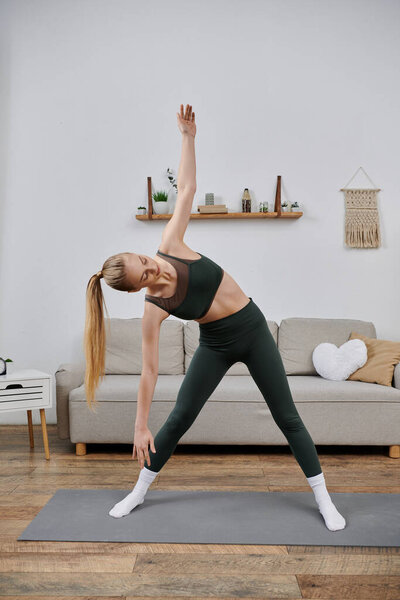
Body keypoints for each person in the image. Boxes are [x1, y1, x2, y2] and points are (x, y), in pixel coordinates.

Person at [84, 104, 346, 531]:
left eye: (144, 260)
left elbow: (185, 189)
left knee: (287, 417)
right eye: (144, 276)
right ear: (136, 289)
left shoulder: (171, 242)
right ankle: (138, 492)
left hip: (253, 329)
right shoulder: (154, 309)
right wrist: (138, 426)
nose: (154, 269)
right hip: (217, 343)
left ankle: (323, 499)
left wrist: (188, 137)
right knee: (179, 418)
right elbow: (149, 372)